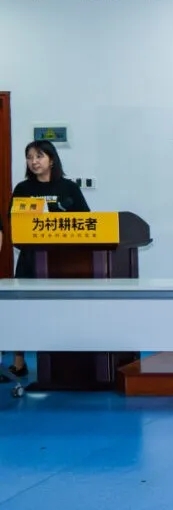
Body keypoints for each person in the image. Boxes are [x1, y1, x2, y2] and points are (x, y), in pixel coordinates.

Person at [1, 140, 89, 383]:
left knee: (60, 310)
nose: (34, 161)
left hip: (64, 260)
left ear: (52, 159)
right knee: (22, 309)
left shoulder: (68, 188)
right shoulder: (23, 189)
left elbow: (85, 220)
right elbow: (14, 222)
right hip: (31, 258)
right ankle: (19, 362)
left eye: (39, 156)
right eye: (29, 157)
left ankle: (67, 360)